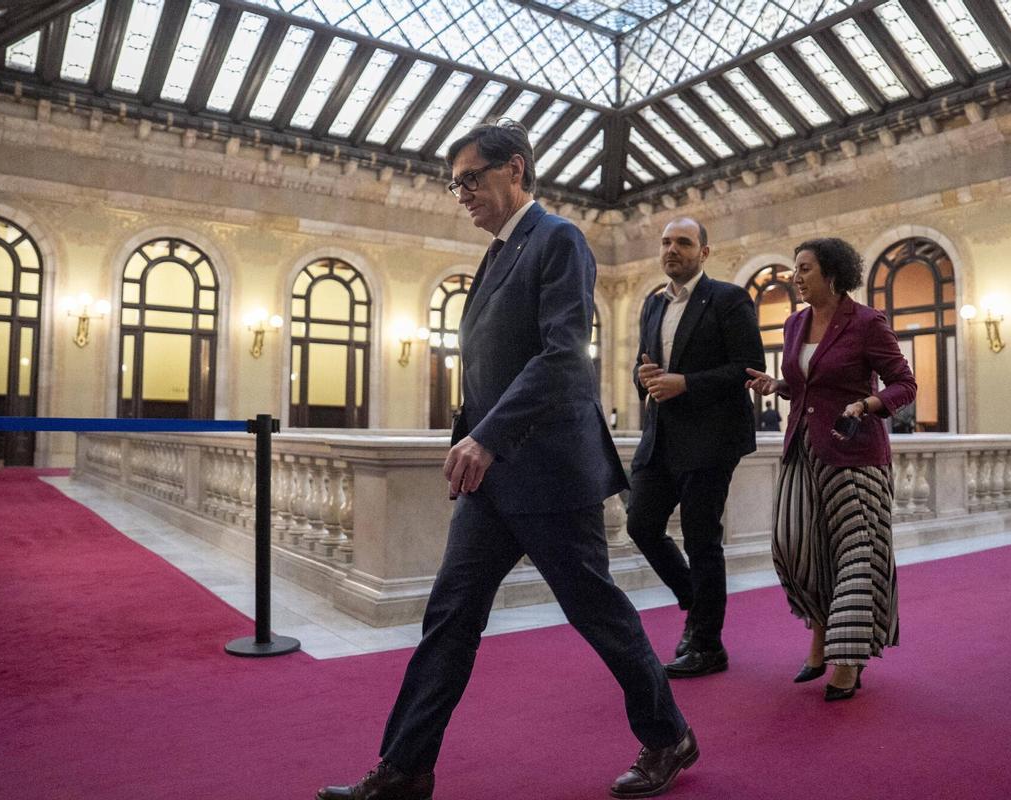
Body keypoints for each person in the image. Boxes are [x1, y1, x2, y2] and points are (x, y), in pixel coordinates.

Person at [318, 120, 696, 800]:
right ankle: (406, 767)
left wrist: (486, 436)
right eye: (454, 183)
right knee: (450, 616)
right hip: (493, 483)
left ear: (515, 169)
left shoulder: (559, 240)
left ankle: (669, 735)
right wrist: (474, 439)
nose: (460, 192)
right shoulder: (496, 255)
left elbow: (561, 359)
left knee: (597, 613)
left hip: (550, 472)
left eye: (472, 178)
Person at [745, 238, 915, 702]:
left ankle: (847, 661)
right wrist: (778, 385)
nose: (795, 277)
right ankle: (820, 633)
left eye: (804, 268)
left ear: (832, 274)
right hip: (803, 447)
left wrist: (869, 403)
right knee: (794, 545)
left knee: (857, 556)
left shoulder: (866, 323)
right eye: (793, 269)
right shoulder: (796, 322)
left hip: (855, 453)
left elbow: (905, 384)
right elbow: (808, 385)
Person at [628, 218, 764, 678]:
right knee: (641, 525)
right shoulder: (652, 303)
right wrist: (644, 379)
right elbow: (643, 366)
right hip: (662, 437)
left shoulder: (728, 299)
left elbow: (748, 369)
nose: (672, 250)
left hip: (711, 440)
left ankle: (708, 645)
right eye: (666, 242)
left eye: (683, 243)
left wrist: (685, 383)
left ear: (703, 252)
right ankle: (696, 602)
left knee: (702, 540)